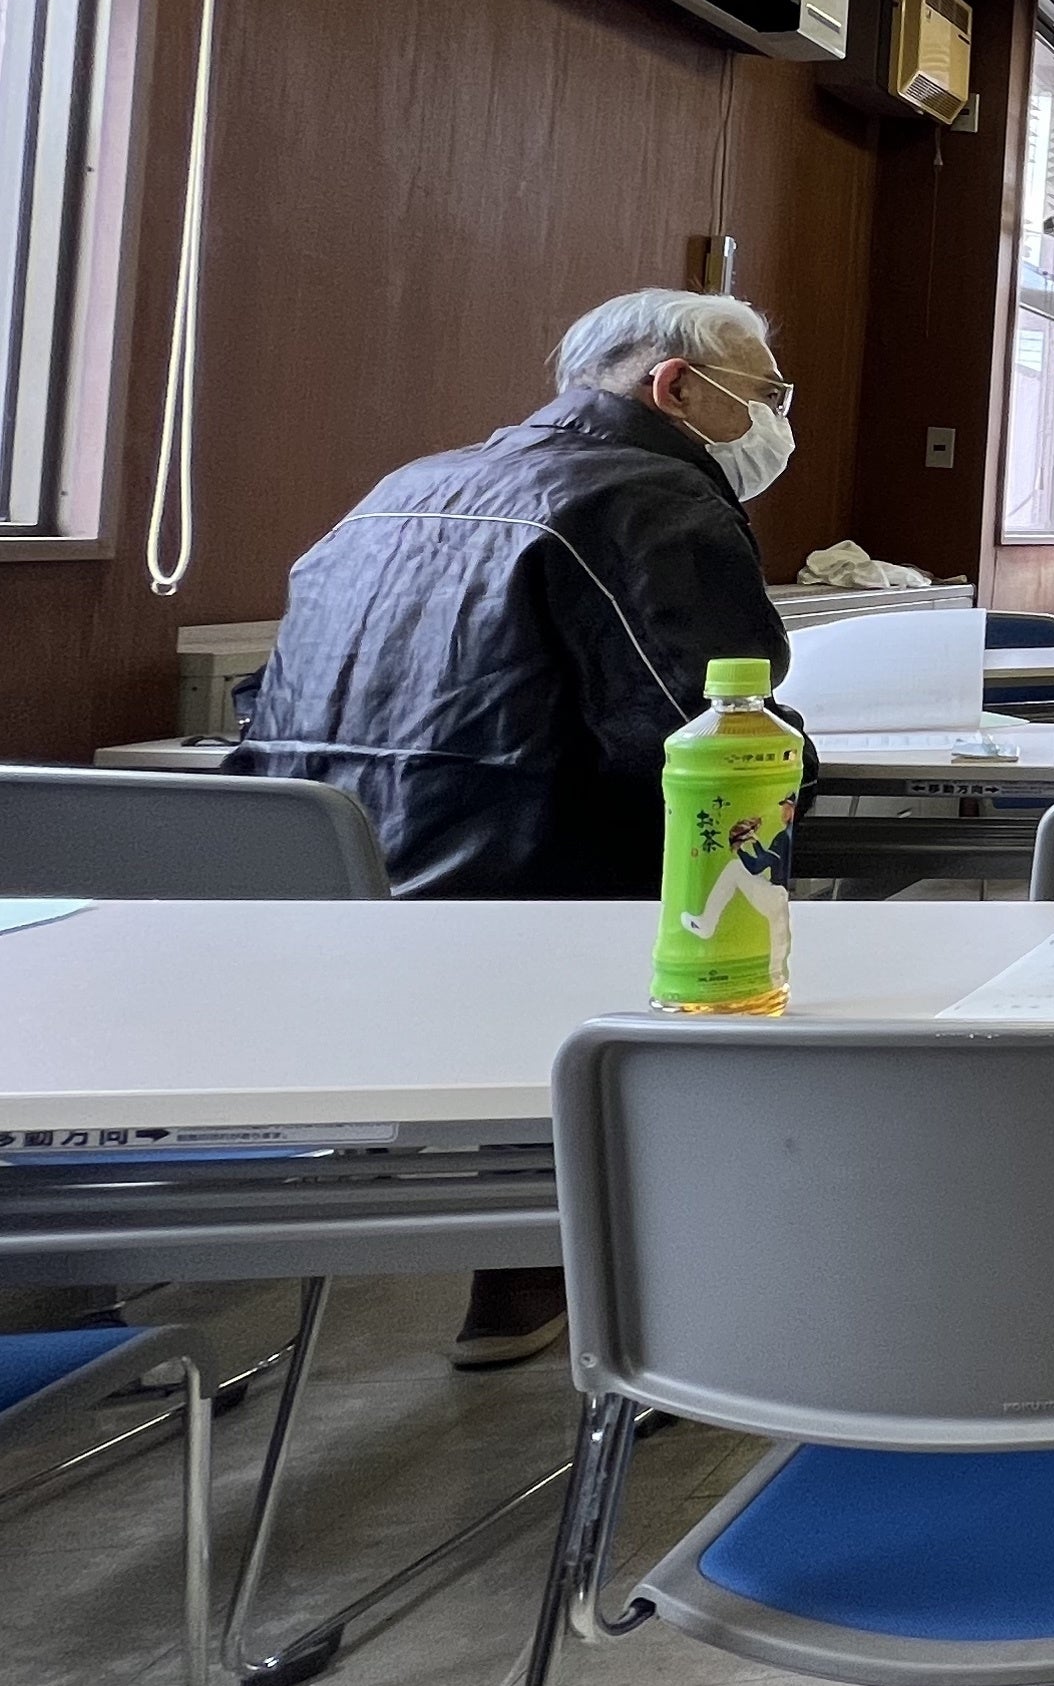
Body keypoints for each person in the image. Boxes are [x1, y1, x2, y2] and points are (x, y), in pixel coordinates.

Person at [234, 288, 806, 1370]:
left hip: (327, 926)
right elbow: (701, 738)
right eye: (766, 393)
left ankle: (528, 1261)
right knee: (758, 877)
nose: (777, 419)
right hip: (540, 923)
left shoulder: (402, 488)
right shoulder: (654, 499)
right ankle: (645, 1273)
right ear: (675, 387)